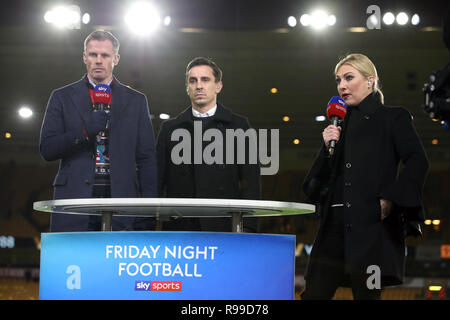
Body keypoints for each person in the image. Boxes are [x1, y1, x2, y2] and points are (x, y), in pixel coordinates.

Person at [301, 53, 429, 300]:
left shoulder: (393, 117)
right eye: (339, 80)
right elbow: (314, 185)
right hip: (331, 231)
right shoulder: (337, 126)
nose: (342, 86)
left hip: (370, 229)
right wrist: (328, 148)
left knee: (367, 297)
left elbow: (418, 161)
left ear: (370, 81)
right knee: (313, 296)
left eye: (349, 78)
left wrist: (391, 198)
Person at [40, 30, 157, 232]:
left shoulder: (136, 100)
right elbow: (48, 149)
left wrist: (149, 209)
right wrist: (85, 132)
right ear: (84, 57)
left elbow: (146, 158)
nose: (98, 60)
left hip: (121, 200)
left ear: (116, 59)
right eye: (93, 55)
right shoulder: (62, 97)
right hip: (74, 199)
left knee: (117, 263)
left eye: (105, 55)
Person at [156, 57, 261, 232]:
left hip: (224, 227)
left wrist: (248, 228)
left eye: (205, 80)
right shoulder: (169, 129)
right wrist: (151, 224)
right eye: (193, 80)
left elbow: (251, 183)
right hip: (179, 229)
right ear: (187, 88)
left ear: (218, 86)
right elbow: (157, 181)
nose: (199, 86)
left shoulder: (239, 126)